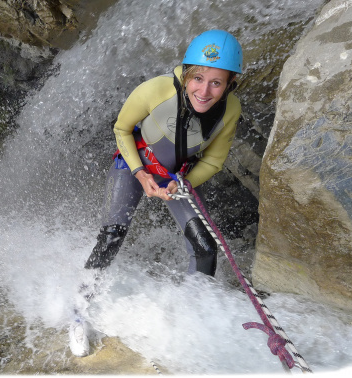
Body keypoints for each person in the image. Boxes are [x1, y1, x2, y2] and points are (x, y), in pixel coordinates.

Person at [69, 29, 243, 357]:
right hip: (134, 166)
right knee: (111, 237)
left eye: (216, 83)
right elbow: (121, 128)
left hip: (177, 179)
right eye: (199, 78)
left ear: (230, 84)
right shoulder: (158, 90)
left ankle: (191, 322)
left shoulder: (230, 110)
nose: (204, 91)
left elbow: (216, 161)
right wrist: (140, 173)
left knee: (205, 248)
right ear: (188, 73)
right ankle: (78, 311)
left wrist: (182, 183)